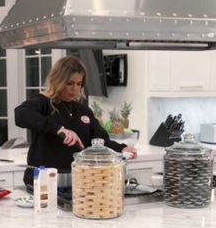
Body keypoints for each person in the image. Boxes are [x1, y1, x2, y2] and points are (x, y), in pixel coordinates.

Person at [14, 56, 137, 185]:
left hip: (74, 182)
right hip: (43, 182)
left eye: (78, 84)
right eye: (69, 83)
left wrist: (122, 149)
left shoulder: (84, 111)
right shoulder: (43, 102)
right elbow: (21, 114)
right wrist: (59, 130)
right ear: (58, 81)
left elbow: (100, 141)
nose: (74, 89)